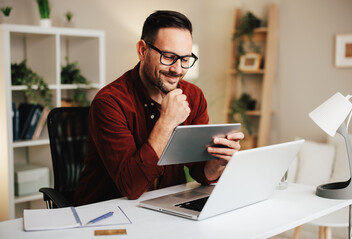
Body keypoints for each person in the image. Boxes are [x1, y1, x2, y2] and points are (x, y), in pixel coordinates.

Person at [73, 10, 244, 206]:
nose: (178, 69)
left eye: (185, 59)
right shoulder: (109, 102)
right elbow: (131, 187)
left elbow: (199, 170)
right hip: (106, 212)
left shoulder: (194, 96)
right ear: (142, 50)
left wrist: (218, 162)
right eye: (169, 56)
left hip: (166, 206)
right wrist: (167, 122)